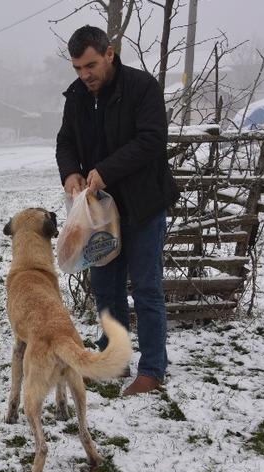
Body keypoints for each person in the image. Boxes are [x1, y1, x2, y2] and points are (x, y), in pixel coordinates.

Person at [55, 25, 179, 396]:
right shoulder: (77, 96)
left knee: (146, 288)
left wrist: (106, 171)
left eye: (90, 65)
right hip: (99, 216)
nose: (85, 75)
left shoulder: (142, 88)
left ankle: (153, 368)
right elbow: (65, 141)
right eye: (78, 68)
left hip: (143, 206)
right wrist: (71, 172)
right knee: (107, 289)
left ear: (109, 53)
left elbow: (152, 140)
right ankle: (114, 357)